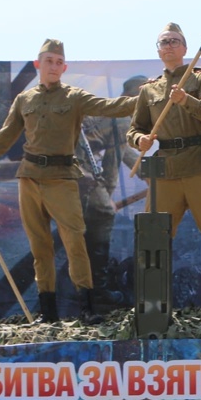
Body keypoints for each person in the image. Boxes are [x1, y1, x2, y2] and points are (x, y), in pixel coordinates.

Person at [0, 38, 137, 322]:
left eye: (59, 62)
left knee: (75, 244)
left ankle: (87, 309)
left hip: (62, 180)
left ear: (64, 68)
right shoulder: (25, 100)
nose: (54, 66)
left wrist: (150, 98)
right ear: (38, 64)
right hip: (30, 178)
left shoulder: (74, 97)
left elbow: (112, 107)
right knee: (40, 249)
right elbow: (1, 141)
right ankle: (47, 315)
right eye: (49, 60)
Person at [128, 23, 201, 320]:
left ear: (184, 48)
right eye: (163, 42)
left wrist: (186, 100)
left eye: (174, 41)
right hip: (165, 167)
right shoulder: (149, 90)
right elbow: (135, 129)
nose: (168, 45)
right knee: (153, 239)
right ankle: (153, 310)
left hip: (200, 164)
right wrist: (139, 140)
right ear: (158, 51)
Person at [80, 74, 149, 306]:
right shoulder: (121, 119)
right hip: (79, 169)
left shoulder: (114, 114)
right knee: (103, 215)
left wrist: (148, 174)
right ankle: (97, 292)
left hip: (77, 167)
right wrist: (106, 199)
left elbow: (123, 152)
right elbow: (112, 166)